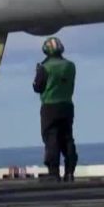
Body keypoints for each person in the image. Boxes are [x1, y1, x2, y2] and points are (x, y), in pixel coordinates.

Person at [33, 37, 78, 183]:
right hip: (67, 105)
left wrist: (38, 73)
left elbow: (37, 87)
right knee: (67, 138)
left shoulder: (45, 67)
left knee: (51, 138)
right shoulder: (71, 66)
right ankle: (69, 172)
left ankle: (53, 173)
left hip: (50, 106)